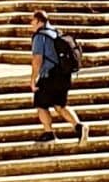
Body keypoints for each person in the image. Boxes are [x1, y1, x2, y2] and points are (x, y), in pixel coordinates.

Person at [29, 9, 89, 145]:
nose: (31, 23)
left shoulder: (40, 36)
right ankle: (79, 126)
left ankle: (49, 133)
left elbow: (37, 59)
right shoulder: (56, 32)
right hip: (64, 75)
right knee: (60, 105)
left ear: (38, 21)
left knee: (40, 104)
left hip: (49, 75)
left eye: (32, 20)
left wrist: (33, 79)